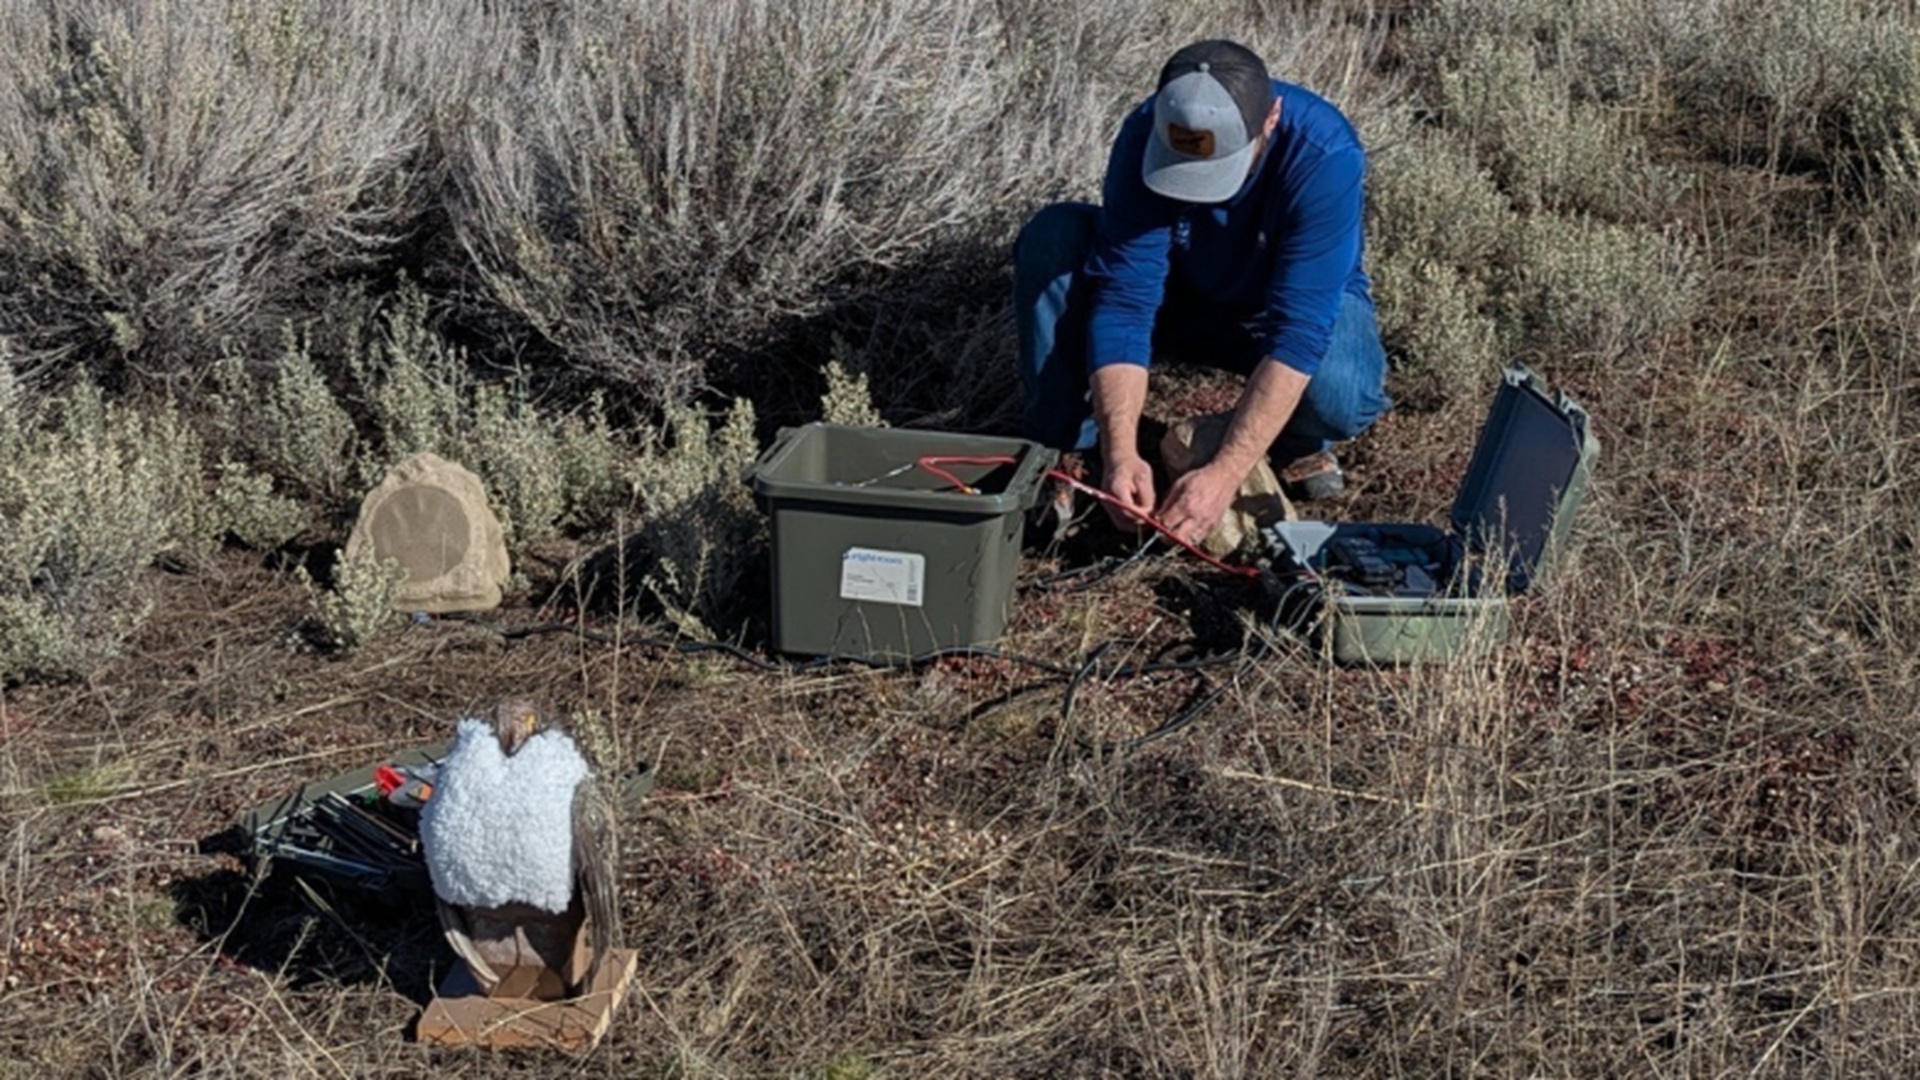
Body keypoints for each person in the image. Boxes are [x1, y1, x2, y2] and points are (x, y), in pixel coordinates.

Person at [1014, 39, 1390, 548]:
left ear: (1271, 118)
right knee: (1054, 238)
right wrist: (1120, 451)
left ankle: (1297, 441)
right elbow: (1126, 302)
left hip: (1272, 311)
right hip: (1180, 297)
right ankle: (1071, 447)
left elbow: (1299, 330)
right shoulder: (1147, 132)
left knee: (1342, 392)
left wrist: (1224, 474)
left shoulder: (1324, 155)